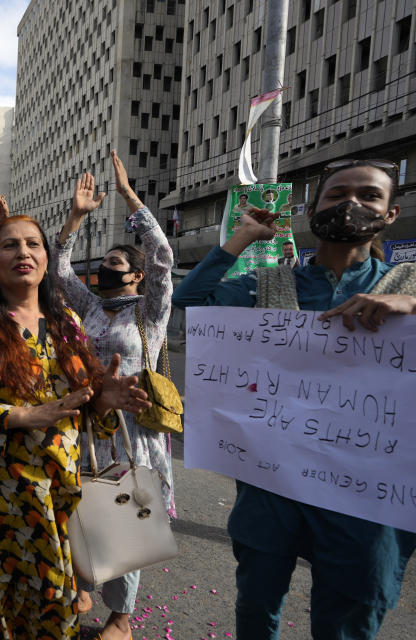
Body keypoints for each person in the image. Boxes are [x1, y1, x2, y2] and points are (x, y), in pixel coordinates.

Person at [172, 158, 416, 640]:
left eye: (369, 196)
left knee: (347, 621)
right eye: (337, 194)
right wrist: (242, 237)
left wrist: (411, 304)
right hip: (272, 490)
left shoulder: (407, 285)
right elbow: (190, 299)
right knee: (257, 608)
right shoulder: (269, 286)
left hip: (366, 505)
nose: (351, 204)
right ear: (311, 210)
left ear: (390, 214)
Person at [0, 213, 151, 640]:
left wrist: (105, 401)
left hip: (60, 499)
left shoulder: (67, 321)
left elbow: (83, 409)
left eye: (33, 244)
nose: (23, 253)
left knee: (54, 611)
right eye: (9, 245)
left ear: (47, 259)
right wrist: (21, 417)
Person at [53, 150, 175, 638]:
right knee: (85, 511)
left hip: (132, 429)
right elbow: (59, 270)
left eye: (115, 263)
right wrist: (76, 217)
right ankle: (85, 583)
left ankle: (121, 617)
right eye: (101, 264)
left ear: (137, 275)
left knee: (125, 518)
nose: (104, 271)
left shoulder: (149, 311)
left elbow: (164, 258)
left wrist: (129, 198)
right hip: (88, 424)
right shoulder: (94, 307)